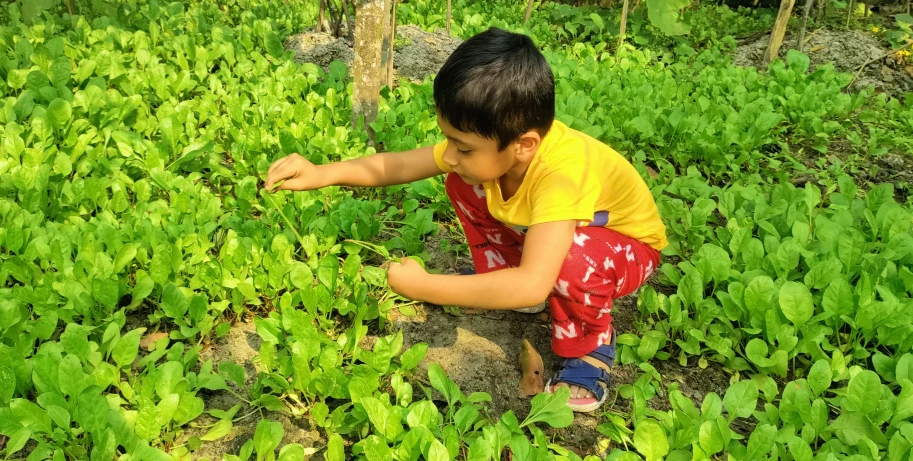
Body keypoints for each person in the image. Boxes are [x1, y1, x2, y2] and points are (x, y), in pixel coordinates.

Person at [263, 27, 667, 412]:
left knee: (570, 264)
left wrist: (426, 287)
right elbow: (401, 165)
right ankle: (499, 275)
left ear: (524, 144)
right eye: (449, 140)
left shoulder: (561, 176)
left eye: (464, 147)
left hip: (624, 247)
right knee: (464, 183)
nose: (450, 155)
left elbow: (531, 286)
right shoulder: (491, 147)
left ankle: (590, 346)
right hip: (571, 230)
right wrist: (323, 173)